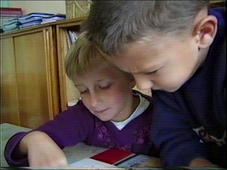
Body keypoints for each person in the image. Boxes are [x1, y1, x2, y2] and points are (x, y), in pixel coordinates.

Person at [82, 0, 226, 168]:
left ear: (203, 33)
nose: (142, 85)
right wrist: (199, 165)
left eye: (151, 71)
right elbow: (173, 136)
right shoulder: (169, 72)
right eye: (130, 73)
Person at [4, 33, 159, 167]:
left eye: (104, 86)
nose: (93, 102)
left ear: (131, 78)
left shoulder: (160, 115)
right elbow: (16, 146)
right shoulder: (82, 115)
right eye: (83, 90)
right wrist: (35, 140)